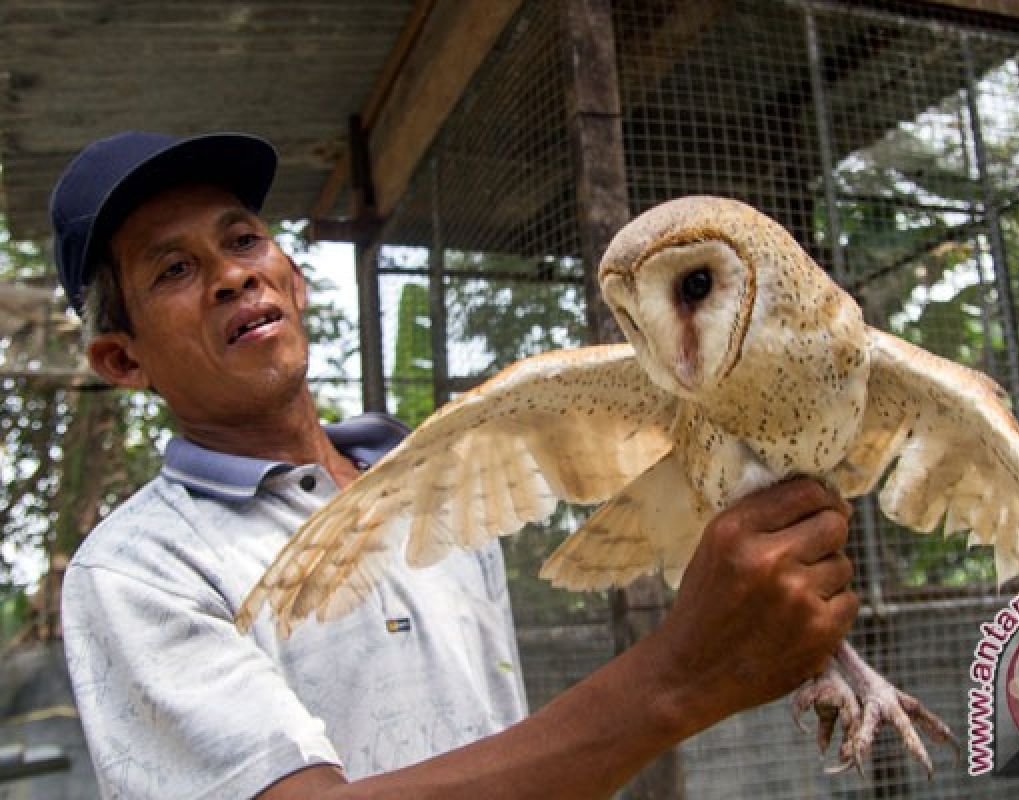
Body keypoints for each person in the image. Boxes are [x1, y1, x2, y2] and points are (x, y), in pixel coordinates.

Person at [52, 130, 858, 799]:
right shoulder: (139, 569)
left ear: (292, 281)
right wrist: (675, 677)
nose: (232, 275)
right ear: (122, 360)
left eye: (242, 239)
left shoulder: (425, 487)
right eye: (174, 270)